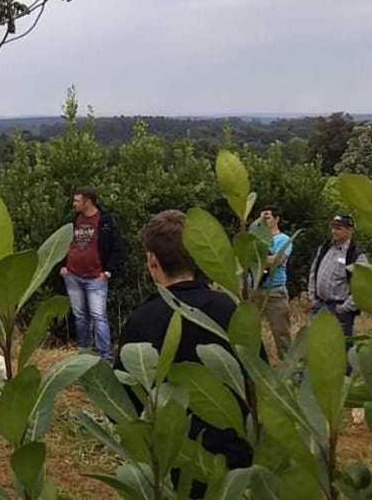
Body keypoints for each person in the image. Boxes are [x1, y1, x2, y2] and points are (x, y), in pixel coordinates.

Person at [116, 210, 252, 498]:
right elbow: (256, 383)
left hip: (170, 467)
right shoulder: (230, 311)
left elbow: (124, 403)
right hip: (231, 467)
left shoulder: (140, 320)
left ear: (152, 261)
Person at [58, 186, 126, 361]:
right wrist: (64, 266)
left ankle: (105, 356)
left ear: (88, 201)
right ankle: (84, 354)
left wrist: (108, 271)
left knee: (98, 316)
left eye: (77, 201)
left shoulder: (105, 221)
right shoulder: (73, 220)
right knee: (80, 317)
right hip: (73, 275)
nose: (74, 204)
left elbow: (117, 247)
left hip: (96, 277)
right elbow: (62, 241)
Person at [307, 214, 368, 342]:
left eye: (338, 228)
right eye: (333, 227)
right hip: (319, 305)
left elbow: (363, 288)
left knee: (340, 348)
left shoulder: (356, 255)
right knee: (317, 344)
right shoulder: (325, 247)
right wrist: (312, 297)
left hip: (339, 309)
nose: (334, 231)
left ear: (349, 230)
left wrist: (345, 307)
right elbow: (313, 272)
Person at [249, 205, 292, 360]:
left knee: (281, 334)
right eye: (261, 219)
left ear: (276, 219)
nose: (263, 221)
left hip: (274, 292)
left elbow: (276, 260)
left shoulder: (283, 239)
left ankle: (291, 373)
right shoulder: (255, 240)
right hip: (254, 290)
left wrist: (255, 258)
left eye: (266, 218)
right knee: (249, 332)